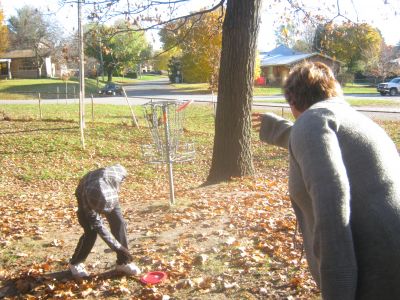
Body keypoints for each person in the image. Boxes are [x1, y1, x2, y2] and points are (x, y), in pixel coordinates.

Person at [253, 61, 400, 299]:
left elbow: (332, 206)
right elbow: (332, 147)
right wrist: (281, 130)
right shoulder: (355, 120)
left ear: (292, 101)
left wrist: (337, 291)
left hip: (378, 277)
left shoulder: (311, 121)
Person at [68, 164, 141, 278]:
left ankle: (123, 262)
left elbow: (122, 168)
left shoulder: (117, 174)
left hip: (108, 192)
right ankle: (75, 263)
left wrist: (122, 252)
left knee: (119, 223)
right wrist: (119, 248)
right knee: (91, 231)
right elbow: (99, 227)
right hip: (85, 192)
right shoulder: (87, 200)